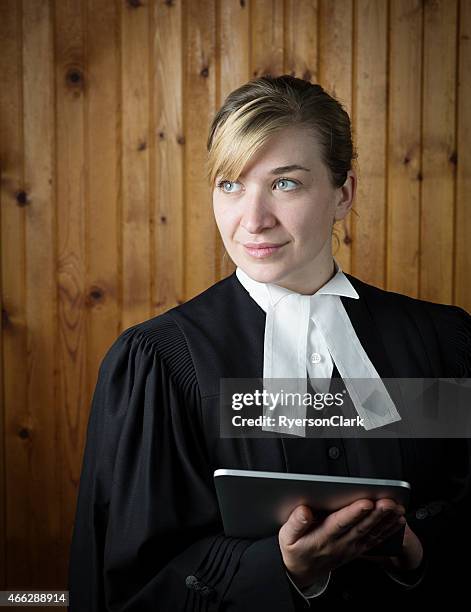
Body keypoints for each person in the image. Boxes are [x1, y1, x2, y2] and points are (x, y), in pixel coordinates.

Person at [68, 75, 471, 611]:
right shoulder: (160, 364)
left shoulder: (440, 341)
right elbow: (128, 580)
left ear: (342, 193)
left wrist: (416, 553)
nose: (252, 220)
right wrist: (280, 570)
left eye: (285, 183)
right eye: (231, 184)